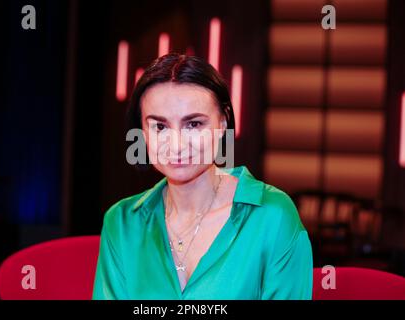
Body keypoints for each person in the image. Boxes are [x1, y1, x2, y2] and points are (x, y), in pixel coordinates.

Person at [92, 53, 313, 299]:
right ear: (142, 132)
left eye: (193, 124)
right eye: (160, 127)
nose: (176, 145)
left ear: (222, 123)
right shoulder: (122, 223)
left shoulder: (273, 215)